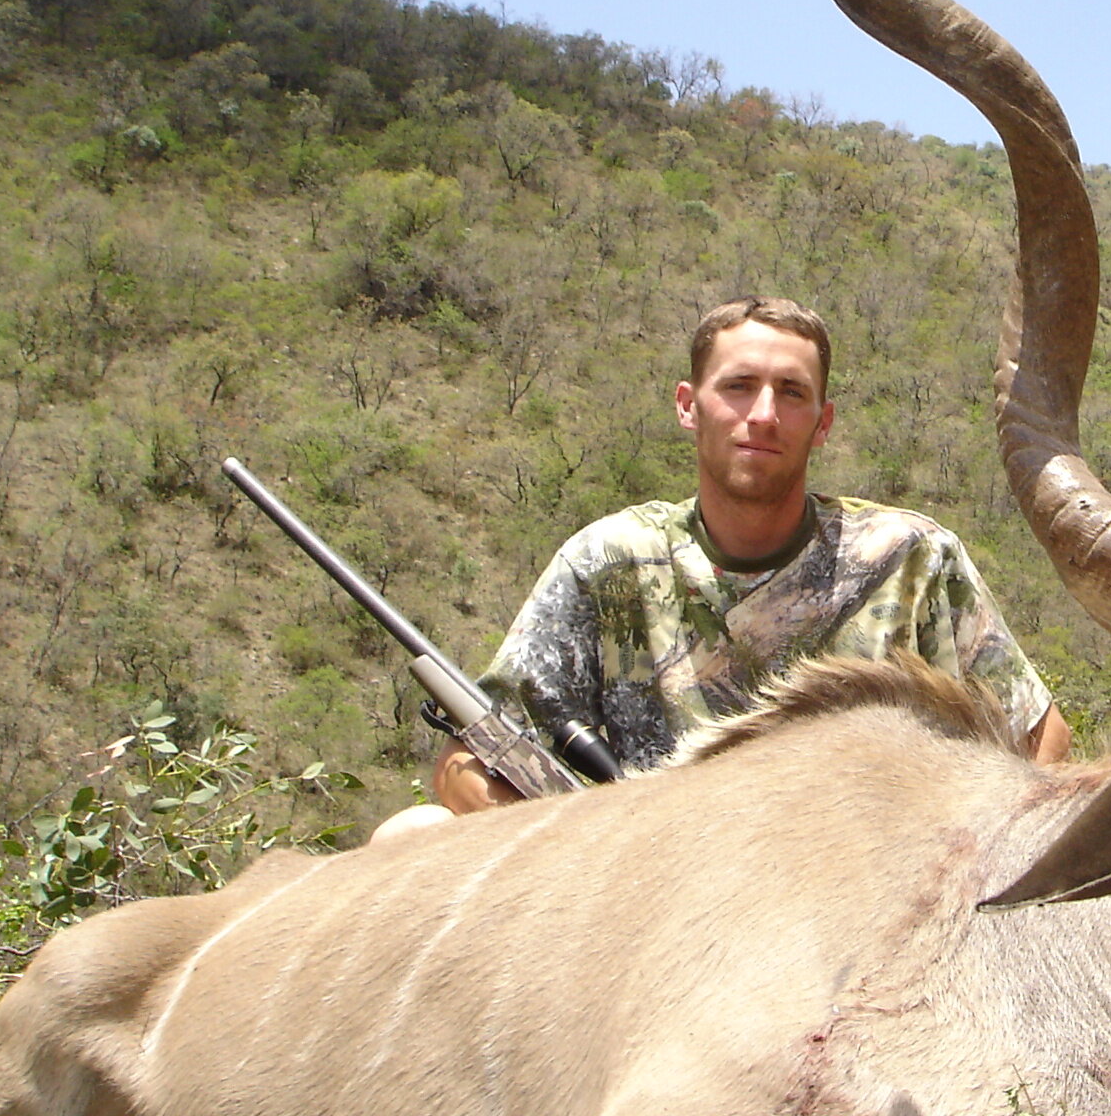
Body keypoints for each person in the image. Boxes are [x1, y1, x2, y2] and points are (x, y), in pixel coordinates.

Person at [424, 295, 1069, 818]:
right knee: (412, 834)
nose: (763, 415)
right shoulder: (608, 562)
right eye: (738, 386)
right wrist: (593, 855)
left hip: (861, 905)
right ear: (688, 405)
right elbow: (466, 767)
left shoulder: (912, 559)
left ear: (823, 422)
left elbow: (1041, 743)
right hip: (634, 904)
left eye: (792, 393)